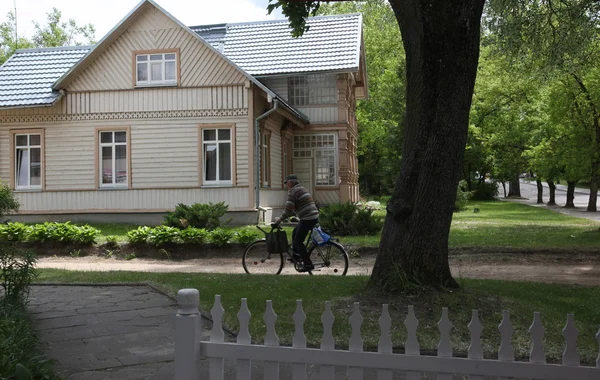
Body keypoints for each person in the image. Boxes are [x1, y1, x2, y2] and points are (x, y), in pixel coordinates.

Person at [274, 174, 319, 272]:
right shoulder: (300, 188)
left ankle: (308, 264)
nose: (286, 185)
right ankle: (296, 256)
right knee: (295, 232)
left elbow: (288, 210)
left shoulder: (293, 192)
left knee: (298, 242)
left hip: (308, 218)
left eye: (286, 183)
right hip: (312, 216)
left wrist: (279, 220)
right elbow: (297, 207)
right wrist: (292, 216)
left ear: (290, 182)